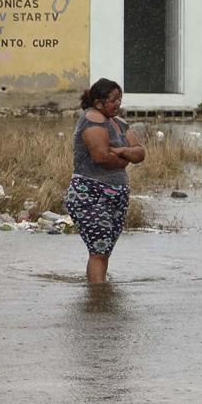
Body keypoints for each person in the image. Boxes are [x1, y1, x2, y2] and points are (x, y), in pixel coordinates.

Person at [63, 78, 145, 284]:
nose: (118, 103)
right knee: (99, 251)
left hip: (116, 194)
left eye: (120, 98)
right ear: (99, 103)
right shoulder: (92, 119)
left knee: (104, 250)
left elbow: (140, 153)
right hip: (90, 194)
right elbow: (102, 157)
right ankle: (98, 295)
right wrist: (125, 159)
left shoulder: (119, 123)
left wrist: (122, 150)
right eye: (113, 99)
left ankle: (98, 291)